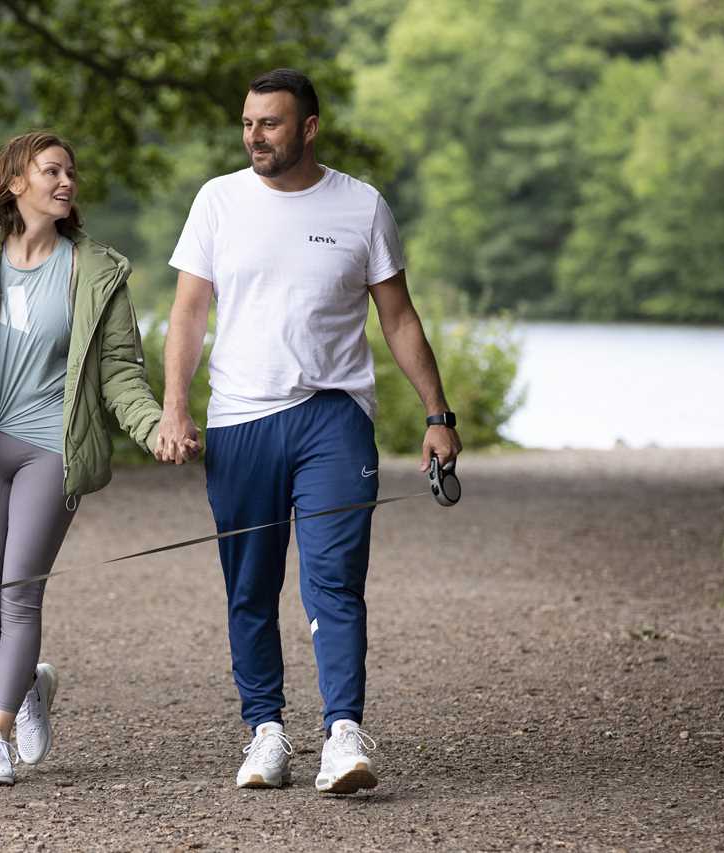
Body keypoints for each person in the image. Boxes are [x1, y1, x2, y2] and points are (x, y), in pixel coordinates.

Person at [156, 69, 462, 793]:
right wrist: (175, 405)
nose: (256, 136)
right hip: (240, 419)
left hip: (334, 416)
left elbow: (398, 317)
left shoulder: (360, 205)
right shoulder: (218, 201)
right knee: (250, 586)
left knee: (335, 580)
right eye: (248, 123)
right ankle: (265, 731)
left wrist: (438, 414)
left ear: (309, 128)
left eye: (271, 123)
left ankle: (342, 732)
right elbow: (189, 313)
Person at [0, 131, 193, 788]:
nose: (66, 181)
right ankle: (27, 686)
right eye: (52, 170)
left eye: (72, 172)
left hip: (53, 448)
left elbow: (120, 376)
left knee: (19, 591)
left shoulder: (94, 270)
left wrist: (154, 426)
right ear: (16, 181)